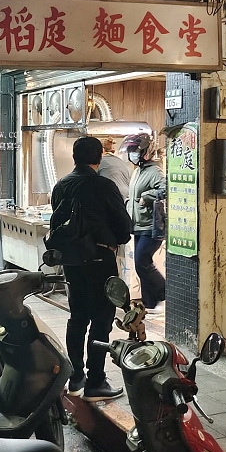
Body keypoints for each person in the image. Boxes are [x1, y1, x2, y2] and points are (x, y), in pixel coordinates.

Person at [50, 136, 131, 402]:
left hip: (72, 262)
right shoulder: (103, 185)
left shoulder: (61, 186)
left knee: (77, 317)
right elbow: (124, 226)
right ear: (99, 158)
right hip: (100, 260)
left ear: (75, 157)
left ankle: (75, 377)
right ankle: (96, 381)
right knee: (101, 320)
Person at [123, 133, 167, 312]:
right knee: (141, 263)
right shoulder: (137, 171)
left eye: (135, 150)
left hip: (151, 224)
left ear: (145, 151)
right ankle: (150, 302)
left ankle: (164, 293)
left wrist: (147, 197)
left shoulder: (154, 170)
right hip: (138, 225)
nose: (132, 153)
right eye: (131, 150)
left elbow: (165, 188)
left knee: (142, 261)